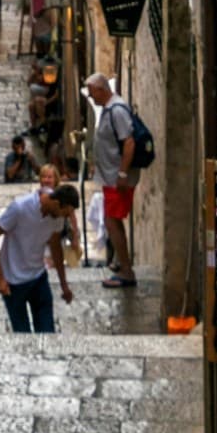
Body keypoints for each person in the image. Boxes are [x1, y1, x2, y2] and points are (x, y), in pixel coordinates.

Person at [0, 178, 79, 333]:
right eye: (66, 213)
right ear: (56, 204)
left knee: (47, 333)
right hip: (14, 282)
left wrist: (64, 284)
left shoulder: (58, 217)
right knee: (23, 336)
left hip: (38, 278)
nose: (66, 218)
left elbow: (56, 247)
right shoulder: (20, 208)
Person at [86, 74, 142, 289]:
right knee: (112, 220)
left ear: (102, 89)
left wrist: (122, 174)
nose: (92, 98)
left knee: (111, 221)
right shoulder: (111, 108)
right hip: (110, 175)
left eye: (92, 93)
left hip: (116, 178)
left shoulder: (117, 110)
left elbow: (128, 142)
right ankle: (121, 263)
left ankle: (127, 272)